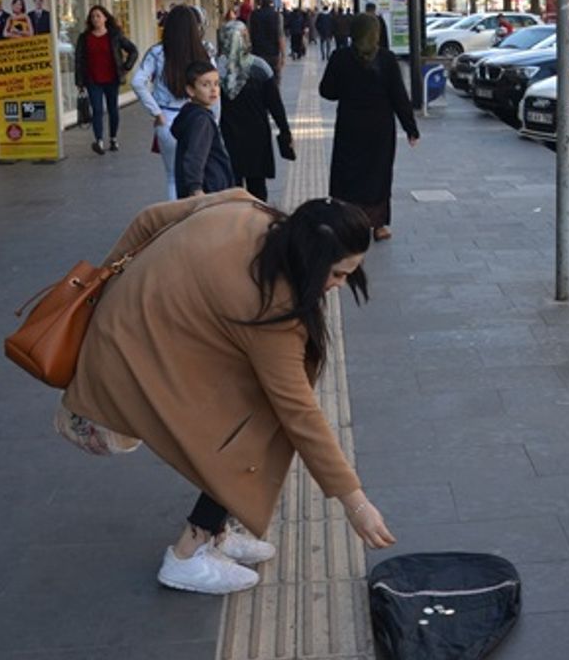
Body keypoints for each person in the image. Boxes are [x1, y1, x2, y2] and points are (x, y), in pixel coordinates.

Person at [59, 189, 398, 596]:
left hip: (138, 333)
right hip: (130, 361)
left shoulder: (245, 207)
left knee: (251, 411)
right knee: (250, 426)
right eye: (338, 273)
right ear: (311, 258)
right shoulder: (271, 305)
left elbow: (149, 218)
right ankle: (187, 556)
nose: (340, 285)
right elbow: (299, 412)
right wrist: (355, 503)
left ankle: (215, 530)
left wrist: (105, 287)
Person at [319, 13, 418, 242]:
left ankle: (347, 222)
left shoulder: (340, 58)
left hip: (349, 127)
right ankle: (379, 225)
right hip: (380, 130)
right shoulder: (387, 59)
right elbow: (399, 97)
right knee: (378, 174)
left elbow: (327, 91)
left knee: (348, 174)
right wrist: (411, 128)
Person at [132, 5, 217, 200]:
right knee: (198, 175)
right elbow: (214, 87)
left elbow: (137, 82)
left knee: (172, 177)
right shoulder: (204, 52)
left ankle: (175, 220)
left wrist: (156, 112)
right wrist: (214, 120)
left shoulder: (157, 52)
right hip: (198, 118)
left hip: (168, 118)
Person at [217, 21, 292, 202]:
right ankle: (256, 224)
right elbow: (275, 105)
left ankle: (235, 224)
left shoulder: (214, 70)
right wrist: (285, 131)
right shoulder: (260, 67)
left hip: (226, 137)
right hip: (257, 136)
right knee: (257, 188)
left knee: (231, 188)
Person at [75, 5, 140, 155]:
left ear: (105, 18)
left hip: (112, 79)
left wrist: (125, 67)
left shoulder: (114, 35)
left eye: (98, 16)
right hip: (93, 80)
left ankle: (113, 138)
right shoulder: (84, 38)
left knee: (112, 110)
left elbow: (133, 50)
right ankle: (99, 140)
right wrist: (79, 82)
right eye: (92, 17)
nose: (95, 19)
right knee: (97, 110)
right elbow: (79, 60)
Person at [171, 61, 237, 199]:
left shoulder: (190, 114)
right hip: (209, 191)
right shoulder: (202, 120)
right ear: (191, 90)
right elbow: (195, 155)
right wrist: (196, 189)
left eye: (216, 83)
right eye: (205, 85)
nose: (213, 89)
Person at [249, 0, 286, 81]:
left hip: (256, 54)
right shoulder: (277, 16)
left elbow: (248, 35)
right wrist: (283, 56)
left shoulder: (253, 15)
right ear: (271, 2)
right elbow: (280, 36)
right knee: (274, 81)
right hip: (273, 55)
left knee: (258, 81)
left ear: (260, 2)